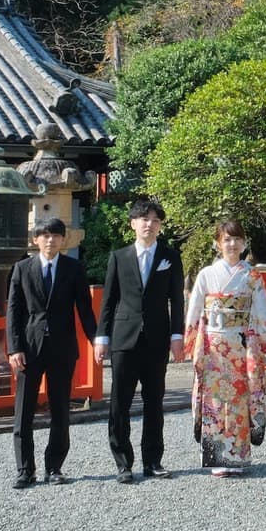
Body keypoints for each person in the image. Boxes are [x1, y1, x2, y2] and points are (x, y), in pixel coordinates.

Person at [94, 198, 185, 484]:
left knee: (154, 401)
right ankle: (123, 463)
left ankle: (153, 461)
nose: (149, 224)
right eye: (144, 219)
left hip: (157, 337)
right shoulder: (119, 257)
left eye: (155, 220)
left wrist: (177, 335)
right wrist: (101, 337)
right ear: (133, 223)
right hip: (124, 337)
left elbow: (177, 300)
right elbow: (108, 301)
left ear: (160, 226)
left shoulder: (170, 256)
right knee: (119, 402)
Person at [7, 217, 97, 489]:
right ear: (35, 240)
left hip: (62, 346)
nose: (50, 240)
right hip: (30, 348)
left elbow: (84, 308)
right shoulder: (22, 268)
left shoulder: (73, 268)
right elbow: (14, 309)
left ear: (63, 240)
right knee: (24, 411)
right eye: (44, 235)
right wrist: (14, 347)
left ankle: (54, 467)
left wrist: (97, 340)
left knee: (60, 409)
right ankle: (25, 469)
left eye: (55, 235)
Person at [184, 220, 266, 477]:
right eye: (226, 239)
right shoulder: (206, 275)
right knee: (213, 402)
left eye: (236, 239)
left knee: (239, 399)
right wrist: (190, 341)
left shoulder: (251, 276)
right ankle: (215, 457)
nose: (232, 244)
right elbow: (194, 310)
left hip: (240, 345)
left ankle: (237, 456)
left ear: (244, 243)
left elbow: (261, 311)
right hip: (213, 345)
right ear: (218, 244)